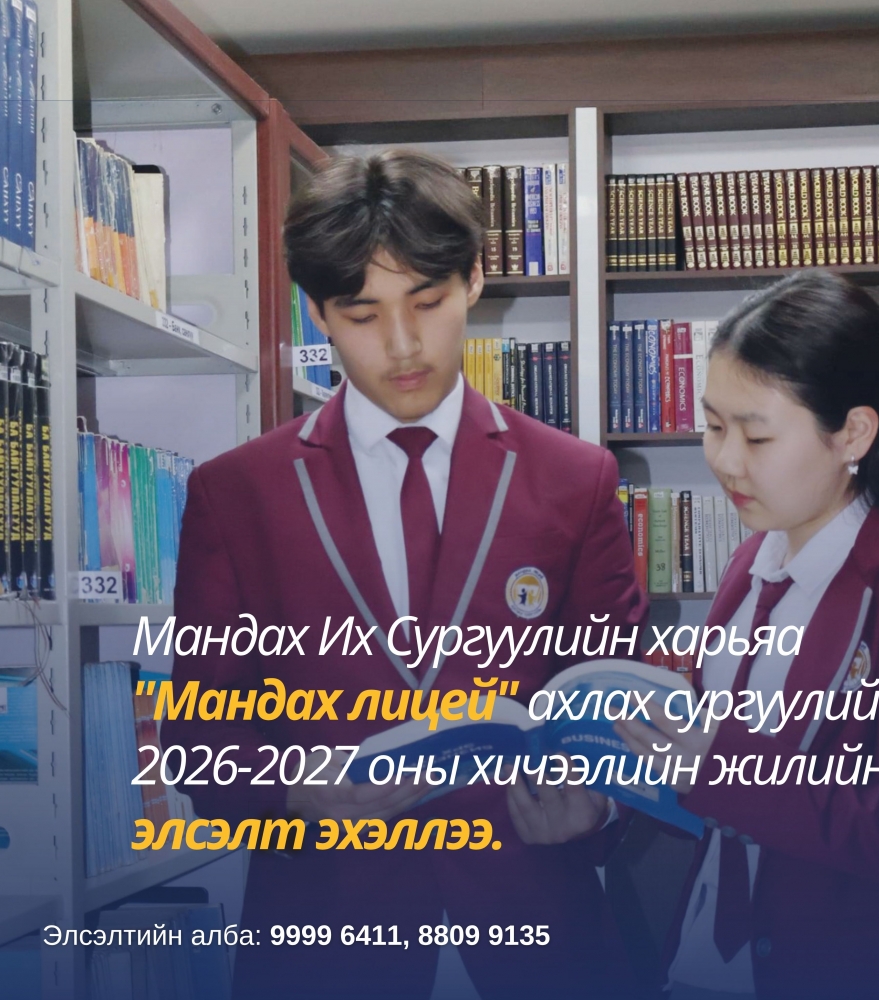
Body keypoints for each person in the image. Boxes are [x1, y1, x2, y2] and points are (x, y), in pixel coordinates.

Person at [161, 149, 647, 1000]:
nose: (402, 345)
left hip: (539, 934)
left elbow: (622, 709)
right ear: (318, 312)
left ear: (474, 280)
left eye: (427, 302)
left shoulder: (576, 478)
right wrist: (293, 792)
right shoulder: (236, 493)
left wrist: (600, 805)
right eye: (361, 314)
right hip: (325, 941)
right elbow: (200, 739)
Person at [617, 270, 879, 1000]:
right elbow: (715, 789)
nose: (725, 461)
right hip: (703, 962)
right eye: (714, 426)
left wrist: (728, 773)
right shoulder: (749, 564)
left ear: (852, 433)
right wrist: (614, 794)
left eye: (757, 435)